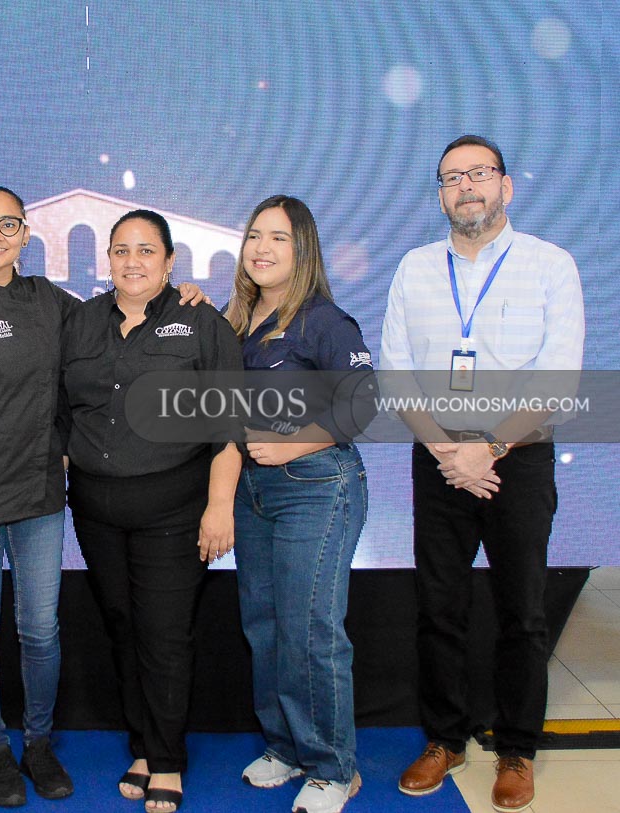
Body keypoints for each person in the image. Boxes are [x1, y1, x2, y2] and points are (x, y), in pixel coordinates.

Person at [0, 187, 209, 807]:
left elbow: (122, 310)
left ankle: (38, 744)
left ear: (25, 233)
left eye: (8, 224)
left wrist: (182, 296)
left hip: (42, 496)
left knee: (40, 630)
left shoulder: (52, 302)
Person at [380, 135, 584, 813]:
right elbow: (395, 372)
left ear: (505, 186)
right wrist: (448, 451)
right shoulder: (414, 268)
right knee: (439, 607)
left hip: (517, 458)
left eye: (478, 174)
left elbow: (559, 375)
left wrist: (487, 448)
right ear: (440, 195)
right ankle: (445, 739)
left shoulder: (550, 265)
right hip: (438, 456)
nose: (465, 187)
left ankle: (517, 748)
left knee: (522, 611)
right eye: (451, 178)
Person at [59, 209, 242, 813]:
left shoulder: (202, 322)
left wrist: (220, 507)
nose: (132, 261)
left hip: (175, 510)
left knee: (164, 633)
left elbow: (228, 425)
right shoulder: (80, 322)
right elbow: (61, 412)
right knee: (122, 625)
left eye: (145, 250)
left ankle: (166, 759)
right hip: (95, 511)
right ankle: (141, 745)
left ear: (168, 261)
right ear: (107, 258)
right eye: (121, 250)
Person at [225, 196, 372, 813]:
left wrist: (293, 444)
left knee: (311, 628)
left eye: (278, 238)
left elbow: (362, 403)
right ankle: (285, 746)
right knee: (264, 624)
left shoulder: (324, 322)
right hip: (252, 491)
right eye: (255, 235)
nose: (262, 248)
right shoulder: (237, 320)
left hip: (317, 486)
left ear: (303, 248)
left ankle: (333, 766)